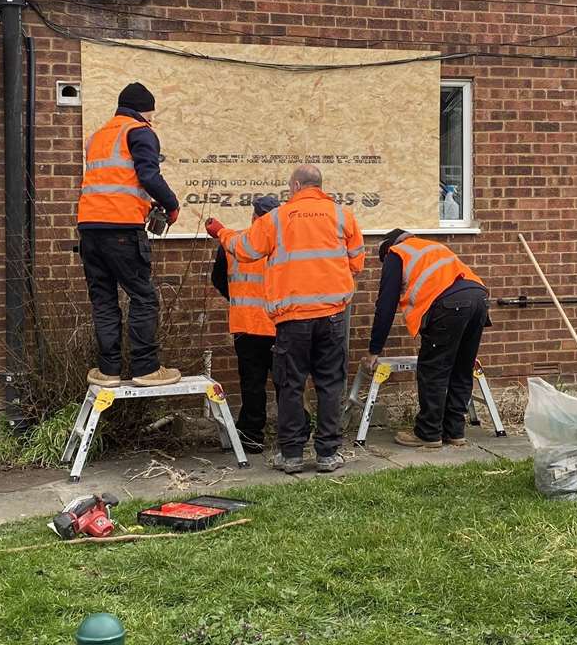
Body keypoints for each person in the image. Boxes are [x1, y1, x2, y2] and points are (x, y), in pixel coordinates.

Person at [206, 164, 364, 474]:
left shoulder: (278, 219)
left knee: (290, 385)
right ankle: (327, 454)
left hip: (292, 319)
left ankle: (291, 455)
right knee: (330, 383)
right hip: (332, 315)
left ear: (294, 186)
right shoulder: (343, 216)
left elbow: (244, 248)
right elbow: (356, 262)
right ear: (319, 185)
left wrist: (221, 232)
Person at [76, 82, 181, 388]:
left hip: (89, 228)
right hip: (121, 229)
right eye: (151, 113)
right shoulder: (139, 130)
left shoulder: (98, 136)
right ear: (143, 109)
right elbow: (148, 175)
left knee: (104, 300)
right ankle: (146, 368)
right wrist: (171, 205)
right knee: (143, 297)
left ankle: (108, 371)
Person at [368, 229, 489, 449]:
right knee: (461, 368)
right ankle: (455, 431)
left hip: (449, 305)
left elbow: (385, 306)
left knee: (433, 369)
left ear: (388, 249)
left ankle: (429, 433)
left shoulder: (396, 254)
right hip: (478, 298)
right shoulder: (431, 247)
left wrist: (374, 349)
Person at [209, 195, 281, 453]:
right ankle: (293, 434)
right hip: (279, 324)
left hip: (246, 325)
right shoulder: (284, 245)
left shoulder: (234, 242)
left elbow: (218, 279)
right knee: (287, 383)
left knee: (252, 383)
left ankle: (251, 436)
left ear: (253, 216)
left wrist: (238, 299)